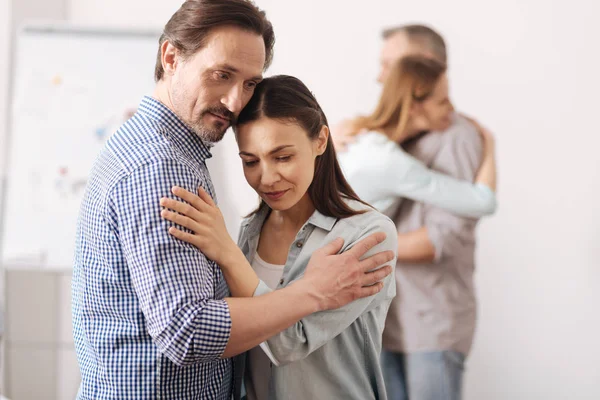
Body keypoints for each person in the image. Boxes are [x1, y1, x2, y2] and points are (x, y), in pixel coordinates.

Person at [71, 1, 393, 399]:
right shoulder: (160, 167)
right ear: (171, 57)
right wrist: (310, 291)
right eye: (221, 75)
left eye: (249, 83)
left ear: (320, 142)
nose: (234, 102)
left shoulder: (168, 152)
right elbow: (187, 331)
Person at [159, 75, 398, 400]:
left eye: (283, 157)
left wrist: (227, 254)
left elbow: (287, 343)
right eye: (251, 161)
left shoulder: (369, 234)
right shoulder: (251, 230)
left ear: (320, 141)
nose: (267, 178)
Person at [336, 24, 497, 400]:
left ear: (422, 73)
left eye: (390, 64)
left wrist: (353, 253)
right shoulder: (377, 142)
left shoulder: (455, 137)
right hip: (382, 318)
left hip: (430, 324)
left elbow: (440, 238)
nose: (380, 76)